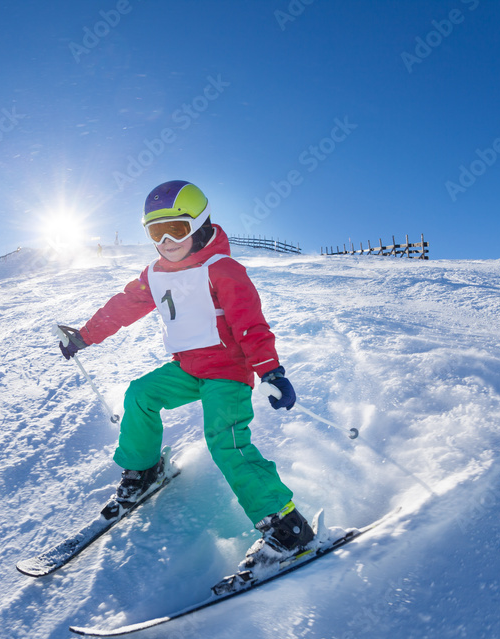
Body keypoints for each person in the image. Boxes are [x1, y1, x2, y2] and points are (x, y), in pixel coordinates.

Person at [58, 179, 314, 570]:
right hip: (188, 368)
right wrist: (85, 337)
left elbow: (251, 325)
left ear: (200, 223)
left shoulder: (222, 269)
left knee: (224, 438)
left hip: (228, 371)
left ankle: (286, 525)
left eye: (175, 228)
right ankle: (143, 470)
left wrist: (271, 371)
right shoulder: (155, 274)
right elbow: (123, 307)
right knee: (141, 394)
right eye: (155, 232)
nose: (166, 240)